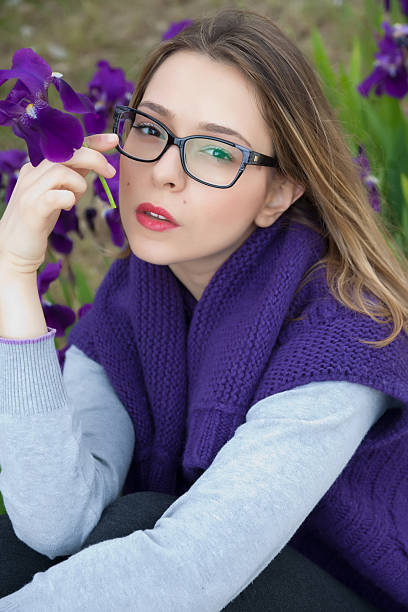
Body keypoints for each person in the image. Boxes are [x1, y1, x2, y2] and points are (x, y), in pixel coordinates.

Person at [0, 7, 407, 611]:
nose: (164, 171)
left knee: (135, 524)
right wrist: (15, 276)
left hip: (352, 592)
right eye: (150, 129)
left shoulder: (346, 331)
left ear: (279, 191)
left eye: (218, 152)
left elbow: (189, 569)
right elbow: (54, 519)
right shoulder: (128, 301)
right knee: (18, 549)